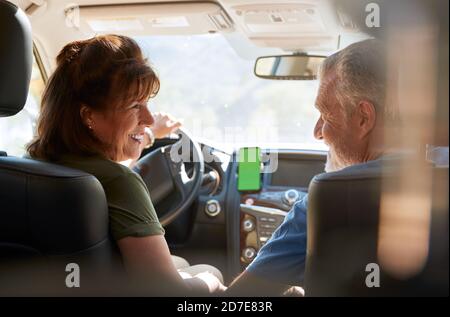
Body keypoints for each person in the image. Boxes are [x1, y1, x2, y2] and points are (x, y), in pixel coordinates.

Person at [27, 35, 224, 295]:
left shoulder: (32, 165)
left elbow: (109, 165)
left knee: (184, 265)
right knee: (209, 270)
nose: (148, 117)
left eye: (147, 104)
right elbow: (166, 290)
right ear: (89, 116)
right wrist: (211, 281)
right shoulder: (120, 182)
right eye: (134, 106)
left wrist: (149, 134)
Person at [227, 39, 399, 296]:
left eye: (326, 116)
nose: (317, 132)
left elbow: (240, 301)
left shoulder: (328, 198)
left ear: (364, 118)